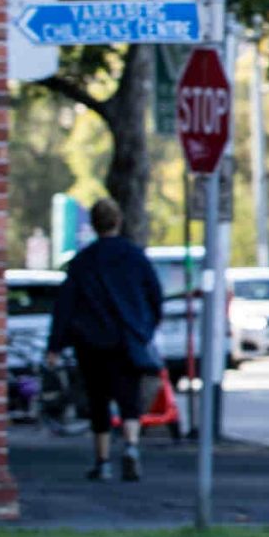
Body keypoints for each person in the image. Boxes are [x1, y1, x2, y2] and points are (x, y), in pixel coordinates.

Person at [47, 199, 166, 482]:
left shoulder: (82, 261)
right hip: (127, 339)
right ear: (118, 221)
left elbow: (66, 305)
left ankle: (102, 461)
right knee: (129, 398)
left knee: (97, 399)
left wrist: (55, 346)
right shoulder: (135, 257)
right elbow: (155, 296)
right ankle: (131, 446)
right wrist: (144, 329)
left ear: (94, 224)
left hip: (92, 342)